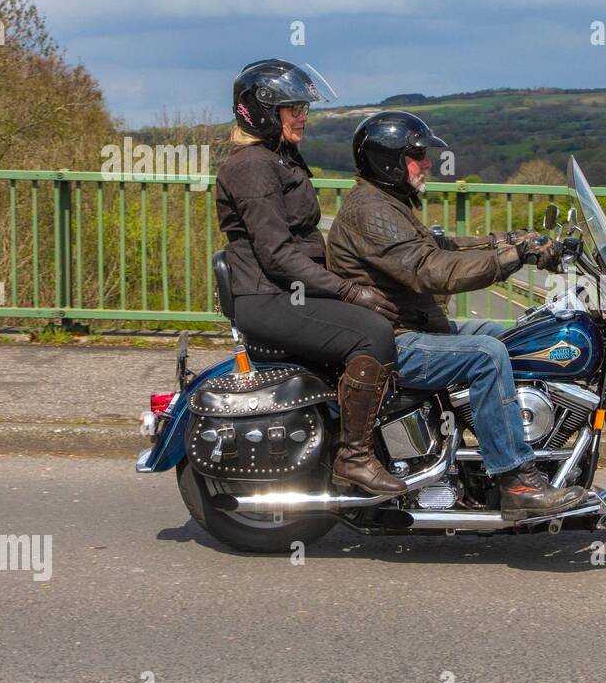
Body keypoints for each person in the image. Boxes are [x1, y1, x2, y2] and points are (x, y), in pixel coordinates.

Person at [326, 111, 585, 520]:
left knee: (511, 337)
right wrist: (513, 257)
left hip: (415, 326)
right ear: (387, 160)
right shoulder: (370, 211)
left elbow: (445, 247)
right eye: (416, 154)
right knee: (485, 354)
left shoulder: (389, 203)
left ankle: (494, 445)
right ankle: (514, 478)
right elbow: (433, 269)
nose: (427, 162)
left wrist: (517, 241)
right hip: (393, 340)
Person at [214, 60, 405, 497]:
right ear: (262, 111)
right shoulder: (252, 166)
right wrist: (349, 290)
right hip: (267, 296)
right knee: (372, 334)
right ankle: (353, 458)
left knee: (391, 313)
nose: (303, 115)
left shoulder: (280, 159)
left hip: (284, 291)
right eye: (292, 107)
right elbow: (278, 254)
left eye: (302, 106)